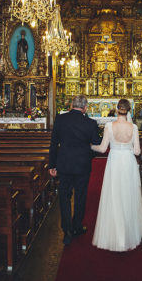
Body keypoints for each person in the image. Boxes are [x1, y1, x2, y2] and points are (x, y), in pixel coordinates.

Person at [91, 99, 142, 252]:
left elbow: (102, 149)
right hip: (128, 161)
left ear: (117, 110)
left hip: (115, 161)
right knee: (128, 195)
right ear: (129, 111)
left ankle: (115, 233)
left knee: (114, 195)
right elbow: (137, 151)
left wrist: (89, 145)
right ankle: (129, 232)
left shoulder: (109, 126)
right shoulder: (134, 127)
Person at [49, 95, 102, 245]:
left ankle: (66, 230)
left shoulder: (60, 119)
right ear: (85, 107)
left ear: (72, 105)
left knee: (64, 197)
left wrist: (52, 165)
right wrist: (88, 155)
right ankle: (76, 226)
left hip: (64, 165)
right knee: (80, 196)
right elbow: (97, 146)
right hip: (82, 166)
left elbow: (53, 144)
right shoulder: (91, 123)